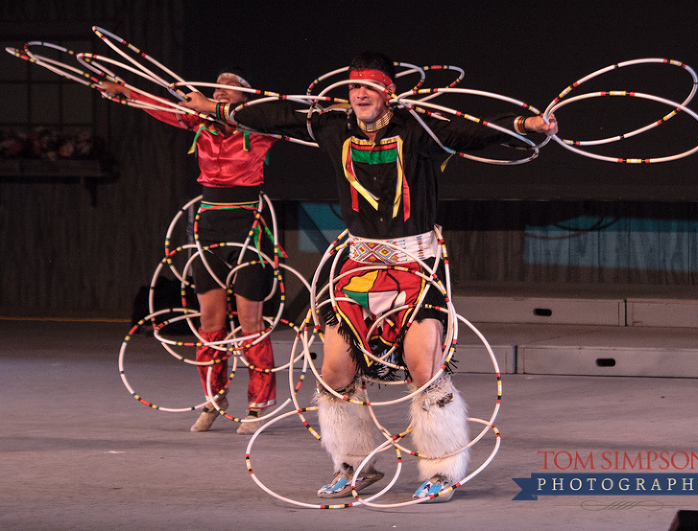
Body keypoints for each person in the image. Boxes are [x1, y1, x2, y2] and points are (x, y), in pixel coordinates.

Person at [183, 51, 558, 500]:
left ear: (389, 93)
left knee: (424, 369)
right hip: (359, 267)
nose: (359, 94)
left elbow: (471, 129)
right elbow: (276, 115)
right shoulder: (331, 126)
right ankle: (354, 465)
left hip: (415, 266)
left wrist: (526, 126)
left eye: (369, 87)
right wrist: (216, 109)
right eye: (353, 87)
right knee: (335, 371)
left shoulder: (417, 130)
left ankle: (442, 470)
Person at [102, 70, 280, 435]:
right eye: (217, 89)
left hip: (248, 226)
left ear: (246, 100)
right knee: (210, 322)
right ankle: (215, 399)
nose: (220, 94)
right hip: (208, 227)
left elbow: (291, 115)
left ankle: (258, 404)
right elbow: (157, 105)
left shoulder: (259, 128)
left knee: (250, 325)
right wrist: (124, 90)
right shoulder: (200, 124)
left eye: (230, 90)